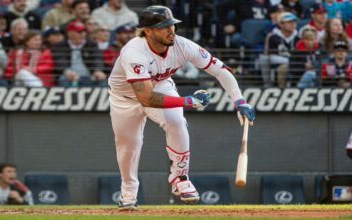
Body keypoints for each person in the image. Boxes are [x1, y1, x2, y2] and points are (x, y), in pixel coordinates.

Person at [108, 5, 256, 210]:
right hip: (125, 98)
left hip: (161, 86)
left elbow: (220, 70)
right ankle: (128, 194)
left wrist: (240, 101)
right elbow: (146, 98)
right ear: (148, 31)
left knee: (176, 121)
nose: (171, 30)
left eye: (172, 25)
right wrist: (187, 101)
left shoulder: (182, 45)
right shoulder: (134, 52)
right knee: (128, 146)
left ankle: (180, 178)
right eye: (163, 27)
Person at [52, 21, 106, 87]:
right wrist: (66, 71)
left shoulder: (92, 45)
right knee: (64, 79)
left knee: (102, 79)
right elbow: (60, 60)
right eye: (79, 32)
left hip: (90, 76)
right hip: (69, 76)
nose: (82, 34)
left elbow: (97, 58)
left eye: (84, 32)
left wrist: (97, 70)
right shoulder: (60, 46)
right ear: (70, 33)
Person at [259, 12, 299, 87]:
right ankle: (269, 85)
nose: (293, 24)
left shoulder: (298, 37)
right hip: (278, 63)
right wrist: (291, 60)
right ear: (281, 24)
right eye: (289, 22)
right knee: (265, 59)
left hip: (297, 64)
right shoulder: (273, 36)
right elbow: (271, 57)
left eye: (294, 21)